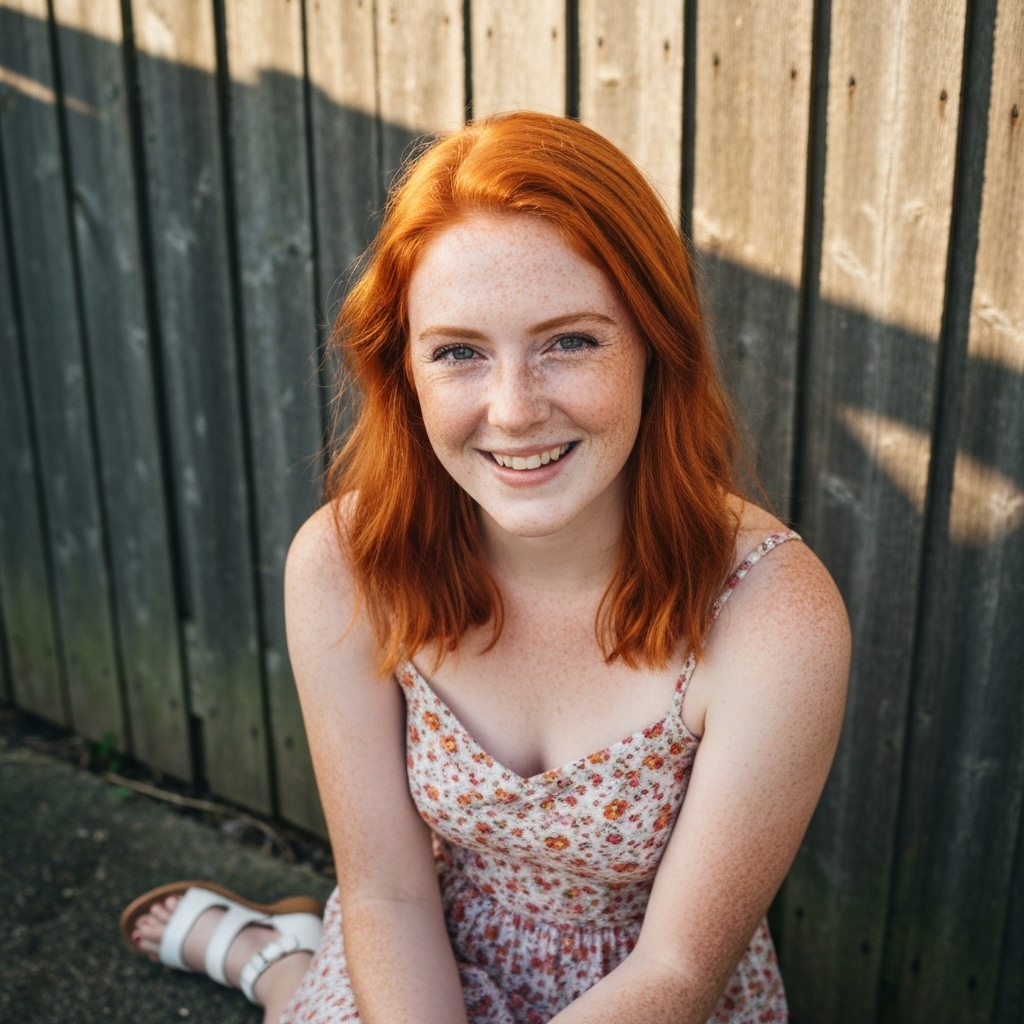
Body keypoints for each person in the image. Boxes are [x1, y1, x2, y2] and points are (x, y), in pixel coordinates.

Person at [122, 110, 850, 1024]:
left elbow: (676, 970)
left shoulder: (772, 613)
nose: (512, 411)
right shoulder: (348, 568)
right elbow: (388, 890)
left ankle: (279, 965)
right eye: (460, 351)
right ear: (407, 371)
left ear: (655, 348)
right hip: (419, 954)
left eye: (570, 341)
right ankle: (284, 968)